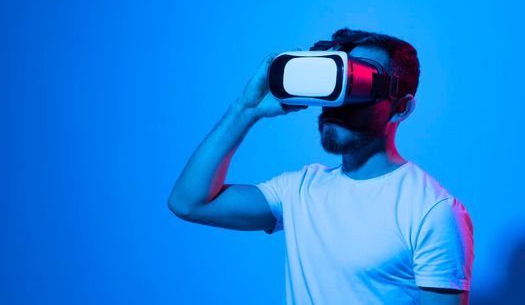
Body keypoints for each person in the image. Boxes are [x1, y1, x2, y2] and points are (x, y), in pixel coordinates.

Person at [168, 28, 474, 305]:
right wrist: (246, 109)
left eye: (358, 86)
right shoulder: (300, 190)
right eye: (336, 83)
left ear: (401, 108)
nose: (338, 103)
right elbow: (188, 203)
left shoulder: (432, 212)